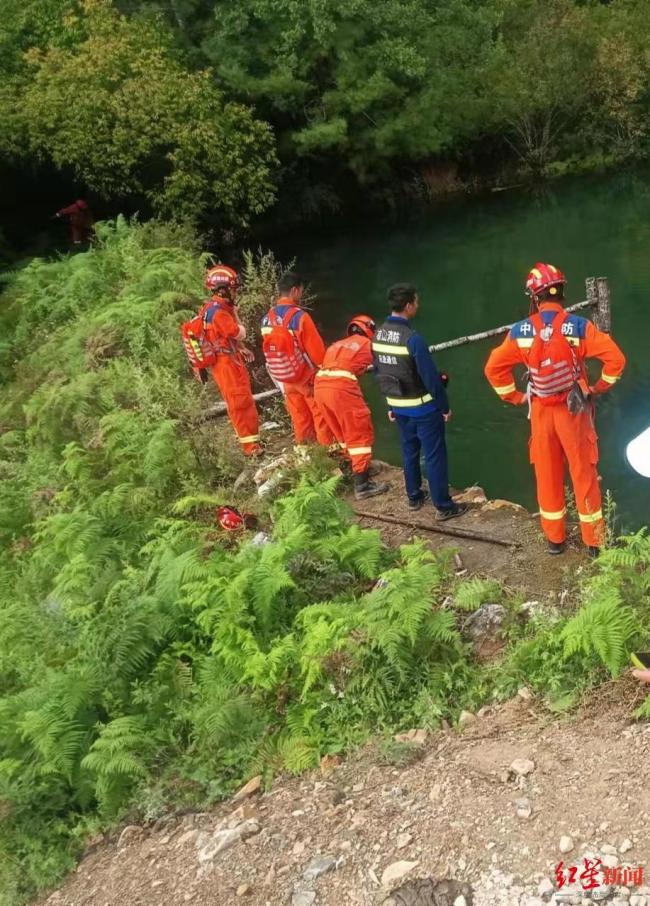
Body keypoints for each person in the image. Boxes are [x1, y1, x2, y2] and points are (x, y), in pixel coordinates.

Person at [484, 262, 626, 556]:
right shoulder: (579, 327)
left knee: (546, 475)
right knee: (583, 474)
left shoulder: (520, 331)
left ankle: (555, 540)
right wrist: (597, 388)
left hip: (540, 412)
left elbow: (493, 368)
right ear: (561, 292)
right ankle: (594, 543)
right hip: (574, 411)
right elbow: (616, 360)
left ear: (534, 297)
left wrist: (516, 396)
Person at [372, 283, 467, 519]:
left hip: (399, 406)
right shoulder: (413, 339)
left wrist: (390, 404)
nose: (418, 304)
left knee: (409, 451)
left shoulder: (377, 335)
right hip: (423, 407)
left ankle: (414, 496)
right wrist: (444, 407)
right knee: (435, 455)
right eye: (416, 301)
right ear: (408, 306)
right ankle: (443, 506)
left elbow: (379, 372)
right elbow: (431, 379)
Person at [314, 315, 390, 500]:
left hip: (320, 386)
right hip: (341, 388)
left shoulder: (337, 345)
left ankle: (353, 468)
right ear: (369, 330)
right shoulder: (367, 344)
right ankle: (362, 484)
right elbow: (385, 364)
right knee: (359, 432)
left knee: (341, 431)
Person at [261, 272, 334, 449]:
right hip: (305, 378)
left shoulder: (266, 320)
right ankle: (327, 456)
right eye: (300, 291)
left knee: (299, 419)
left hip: (284, 378)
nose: (300, 295)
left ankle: (306, 455)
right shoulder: (300, 317)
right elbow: (318, 355)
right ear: (294, 291)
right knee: (321, 417)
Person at [202, 265, 262, 456]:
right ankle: (250, 448)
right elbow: (239, 332)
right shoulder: (219, 313)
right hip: (226, 364)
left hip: (226, 360)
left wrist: (240, 349)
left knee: (240, 400)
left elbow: (223, 338)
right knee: (240, 402)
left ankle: (252, 442)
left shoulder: (210, 308)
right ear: (222, 290)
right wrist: (236, 314)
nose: (235, 292)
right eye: (233, 289)